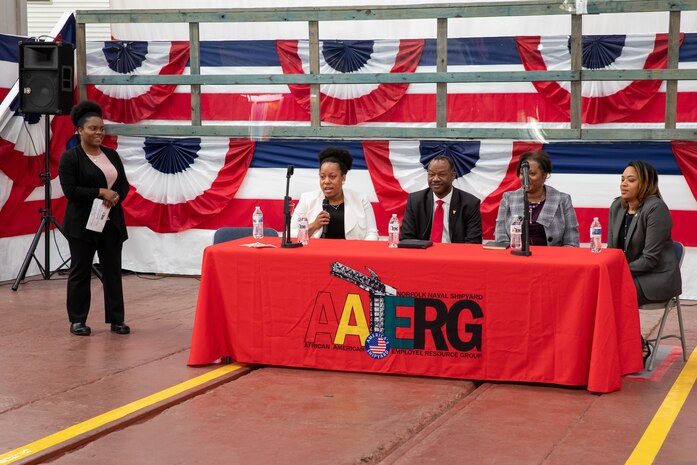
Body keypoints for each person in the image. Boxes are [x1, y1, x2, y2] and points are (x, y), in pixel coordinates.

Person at [58, 100, 131, 336]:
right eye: (93, 129)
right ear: (80, 130)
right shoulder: (71, 158)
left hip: (111, 222)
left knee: (112, 271)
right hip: (82, 225)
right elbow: (70, 191)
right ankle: (78, 320)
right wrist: (100, 192)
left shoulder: (112, 155)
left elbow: (122, 183)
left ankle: (116, 319)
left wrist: (117, 195)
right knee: (80, 271)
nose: (99, 132)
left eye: (101, 128)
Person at [607, 160, 682, 306]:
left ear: (645, 184)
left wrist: (617, 271)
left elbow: (650, 259)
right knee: (592, 286)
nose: (623, 184)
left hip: (655, 278)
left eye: (631, 180)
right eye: (622, 179)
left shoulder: (656, 209)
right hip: (627, 274)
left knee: (608, 291)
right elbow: (612, 250)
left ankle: (617, 330)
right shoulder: (617, 206)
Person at [494, 150, 579, 247]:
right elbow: (501, 239)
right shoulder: (508, 198)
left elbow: (572, 242)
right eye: (522, 173)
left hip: (552, 259)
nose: (525, 178)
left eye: (532, 174)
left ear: (544, 175)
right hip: (515, 258)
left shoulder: (562, 200)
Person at [291, 147, 378, 240]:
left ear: (343, 178)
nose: (326, 181)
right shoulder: (307, 199)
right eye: (322, 177)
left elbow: (372, 233)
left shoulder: (361, 200)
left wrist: (360, 252)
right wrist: (314, 225)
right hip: (317, 252)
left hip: (350, 253)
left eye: (332, 176)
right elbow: (291, 233)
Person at [400, 155, 482, 243]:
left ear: (453, 176)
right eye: (431, 174)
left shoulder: (470, 203)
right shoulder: (415, 201)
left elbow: (474, 242)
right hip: (424, 253)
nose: (435, 179)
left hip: (455, 254)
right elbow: (406, 237)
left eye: (441, 174)